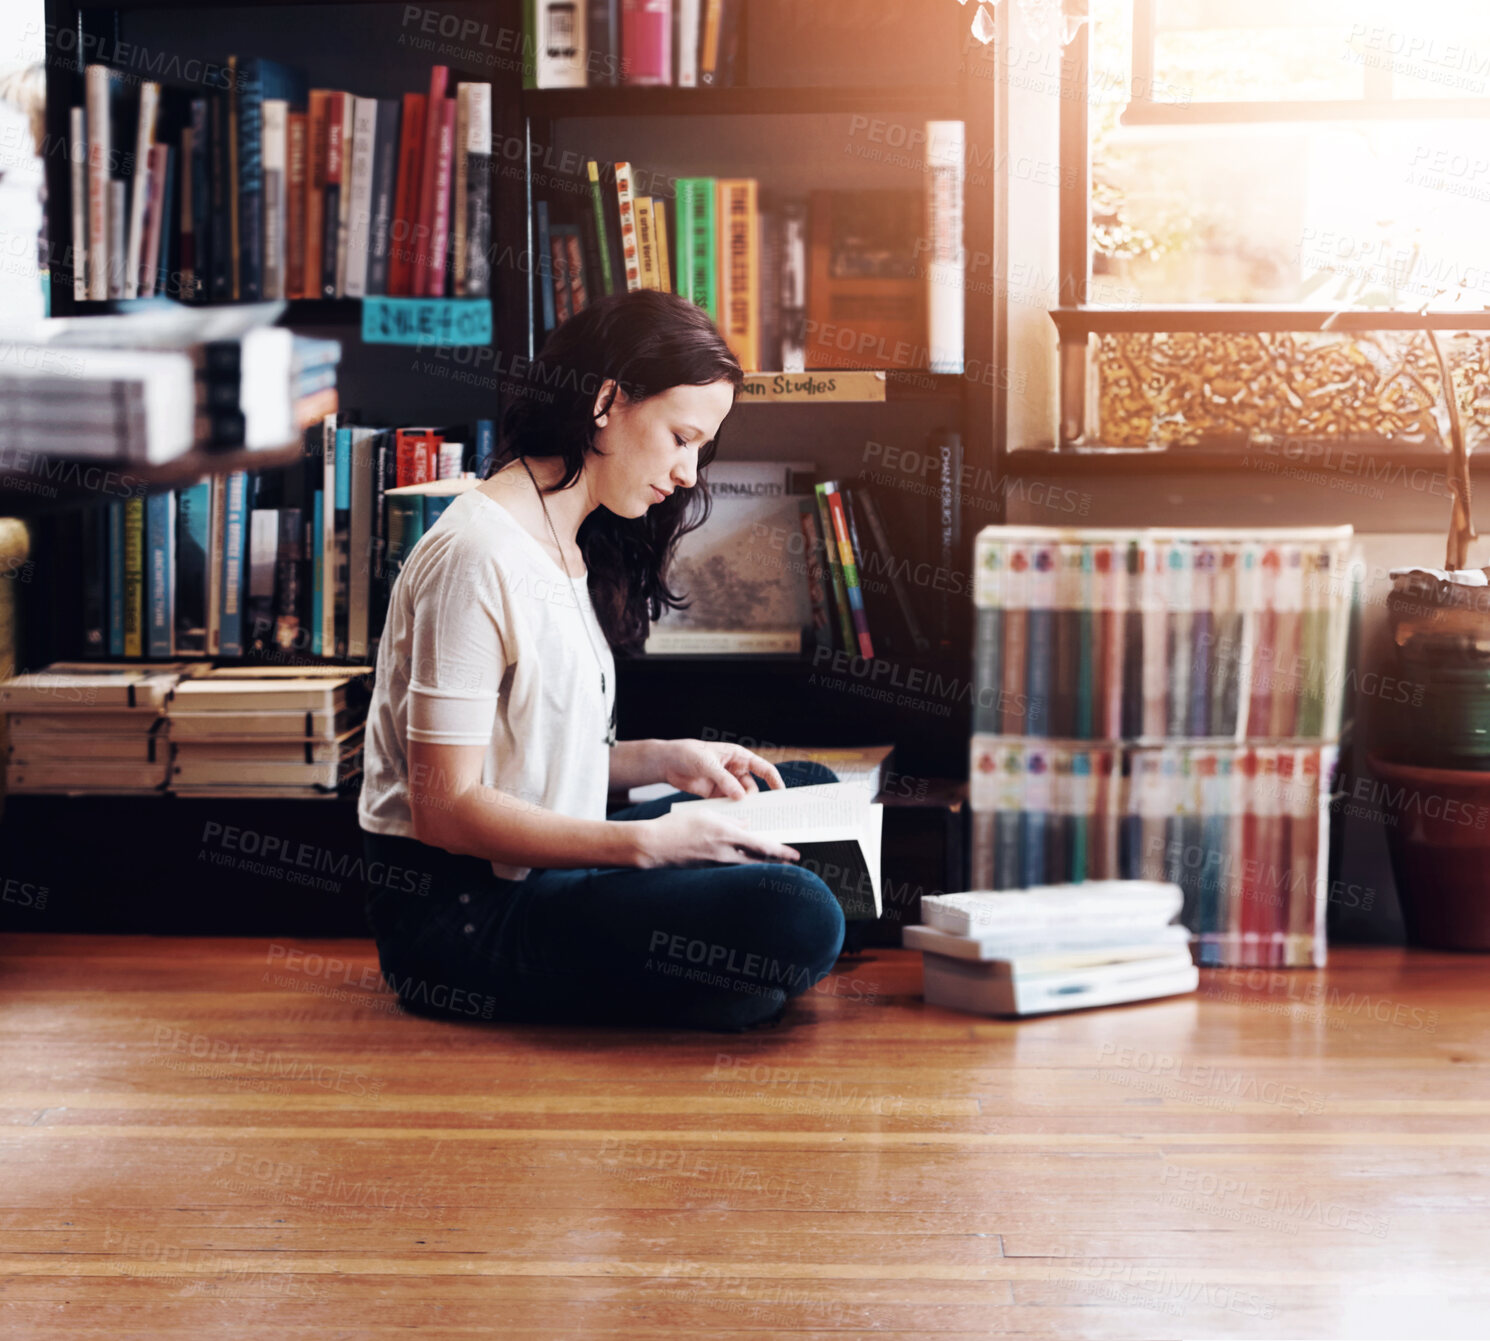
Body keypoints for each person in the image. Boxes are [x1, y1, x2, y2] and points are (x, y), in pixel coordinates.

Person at [358, 289, 846, 1031]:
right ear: (607, 401)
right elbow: (445, 808)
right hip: (465, 918)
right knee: (799, 911)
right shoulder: (477, 555)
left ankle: (702, 985)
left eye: (700, 449)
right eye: (681, 436)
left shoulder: (564, 541)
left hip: (556, 862)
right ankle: (705, 985)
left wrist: (660, 759)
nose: (688, 472)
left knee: (808, 791)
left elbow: (525, 752)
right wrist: (649, 843)